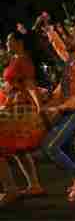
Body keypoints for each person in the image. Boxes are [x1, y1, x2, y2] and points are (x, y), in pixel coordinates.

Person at [40, 15, 75, 202]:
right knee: (68, 147)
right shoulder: (74, 60)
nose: (68, 41)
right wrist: (50, 30)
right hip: (72, 109)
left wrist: (58, 108)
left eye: (72, 37)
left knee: (50, 146)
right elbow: (61, 49)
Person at [0, 32, 47, 205]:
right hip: (12, 106)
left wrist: (39, 106)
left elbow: (29, 83)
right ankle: (34, 185)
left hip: (20, 108)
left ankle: (10, 189)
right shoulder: (14, 59)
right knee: (20, 150)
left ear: (18, 42)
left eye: (8, 40)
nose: (6, 43)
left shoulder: (23, 60)